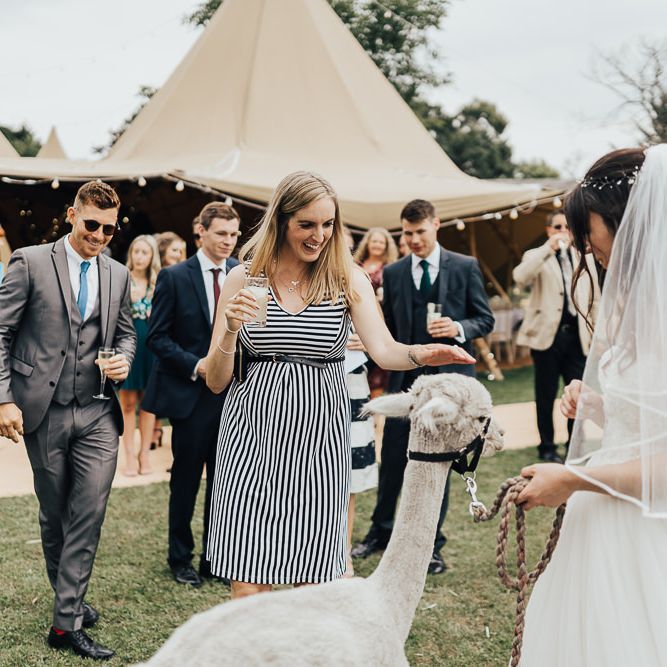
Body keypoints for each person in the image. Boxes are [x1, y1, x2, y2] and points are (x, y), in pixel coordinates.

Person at [204, 172, 475, 600]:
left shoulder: (347, 278)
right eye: (306, 225)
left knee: (315, 576)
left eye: (327, 224)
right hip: (251, 434)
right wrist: (230, 330)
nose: (319, 235)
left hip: (318, 436)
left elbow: (385, 351)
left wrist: (424, 353)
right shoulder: (244, 279)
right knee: (249, 576)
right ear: (281, 221)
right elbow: (216, 379)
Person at [517, 146, 667, 666]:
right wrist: (606, 408)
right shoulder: (639, 301)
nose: (584, 244)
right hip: (605, 518)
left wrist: (574, 478)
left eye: (589, 229)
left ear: (626, 218)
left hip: (647, 532)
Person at [0, 181, 136, 660]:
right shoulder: (30, 261)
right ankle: (71, 599)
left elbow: (126, 334)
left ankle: (65, 623)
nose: (99, 235)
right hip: (44, 410)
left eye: (109, 229)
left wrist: (123, 359)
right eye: (92, 224)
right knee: (55, 513)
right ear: (72, 215)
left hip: (98, 411)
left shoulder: (119, 274)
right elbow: (1, 332)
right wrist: (4, 400)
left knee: (88, 512)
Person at [351, 198, 494, 574]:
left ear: (436, 225)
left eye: (420, 231)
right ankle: (380, 532)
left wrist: (459, 328)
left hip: (449, 387)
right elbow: (388, 328)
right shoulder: (395, 272)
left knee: (436, 465)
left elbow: (485, 318)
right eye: (407, 233)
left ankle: (430, 544)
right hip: (405, 382)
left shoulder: (464, 266)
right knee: (392, 460)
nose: (413, 239)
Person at [143, 202, 240, 587]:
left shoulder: (241, 274)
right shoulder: (174, 276)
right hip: (190, 396)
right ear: (201, 231)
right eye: (221, 233)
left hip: (233, 398)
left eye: (233, 234)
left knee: (225, 483)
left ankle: (215, 558)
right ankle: (180, 558)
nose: (228, 241)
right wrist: (197, 365)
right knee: (185, 481)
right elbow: (157, 337)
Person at [513, 212, 600, 463]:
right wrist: (547, 249)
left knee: (578, 394)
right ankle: (547, 446)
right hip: (547, 339)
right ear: (549, 230)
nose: (563, 231)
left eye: (567, 227)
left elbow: (594, 298)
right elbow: (520, 277)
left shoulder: (585, 256)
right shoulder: (536, 255)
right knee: (545, 395)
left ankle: (575, 444)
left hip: (577, 338)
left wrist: (596, 334)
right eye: (558, 226)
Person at [342, 226, 378, 577]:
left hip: (353, 384)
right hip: (317, 386)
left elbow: (381, 336)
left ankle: (344, 554)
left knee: (349, 474)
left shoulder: (357, 282)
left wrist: (366, 343)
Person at [119, 234, 161, 476]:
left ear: (152, 256)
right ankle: (129, 456)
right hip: (128, 345)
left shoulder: (159, 282)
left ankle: (144, 454)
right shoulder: (122, 278)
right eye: (136, 251)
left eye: (145, 252)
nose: (139, 256)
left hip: (151, 348)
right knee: (127, 404)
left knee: (148, 402)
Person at [353, 227, 398, 396]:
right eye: (374, 241)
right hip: (354, 320)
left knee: (376, 375)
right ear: (367, 243)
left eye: (381, 242)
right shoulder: (356, 265)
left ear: (386, 246)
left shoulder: (390, 269)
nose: (377, 245)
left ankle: (374, 409)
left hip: (378, 319)